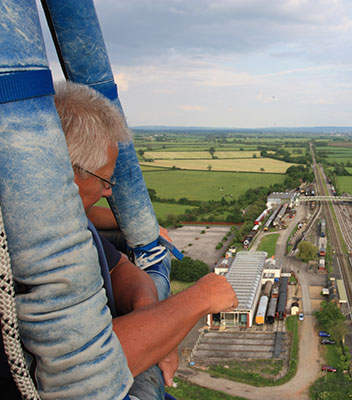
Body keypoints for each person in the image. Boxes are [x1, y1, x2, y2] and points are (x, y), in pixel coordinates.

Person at [52, 80, 238, 398]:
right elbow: (87, 364)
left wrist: (151, 319)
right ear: (69, 172)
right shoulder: (26, 254)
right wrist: (200, 298)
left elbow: (120, 270)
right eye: (104, 180)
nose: (108, 191)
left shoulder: (67, 223)